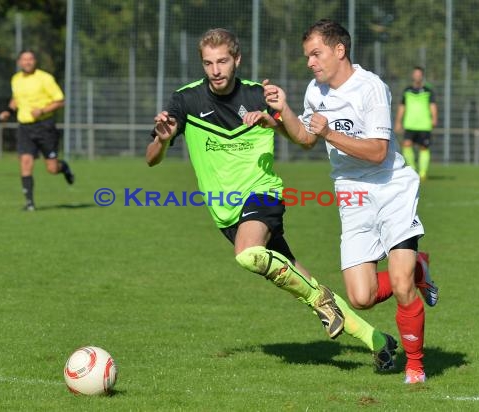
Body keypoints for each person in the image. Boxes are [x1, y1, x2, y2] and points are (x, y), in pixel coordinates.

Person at [146, 28, 399, 372]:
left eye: (222, 61)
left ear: (236, 60)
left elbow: (302, 138)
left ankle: (318, 299)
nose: (215, 70)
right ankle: (378, 341)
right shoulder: (185, 100)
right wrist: (161, 141)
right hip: (225, 212)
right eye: (208, 63)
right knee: (300, 280)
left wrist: (275, 116)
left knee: (249, 255)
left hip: (262, 194)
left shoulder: (258, 95)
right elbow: (151, 158)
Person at [256, 19, 439, 383]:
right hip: (351, 194)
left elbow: (376, 152)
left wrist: (329, 134)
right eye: (307, 55)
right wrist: (280, 116)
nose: (310, 62)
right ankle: (418, 267)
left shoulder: (371, 88)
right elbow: (308, 139)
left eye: (315, 54)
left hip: (390, 188)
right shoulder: (314, 90)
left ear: (339, 50)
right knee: (360, 297)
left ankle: (415, 366)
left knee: (401, 287)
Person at [0, 50, 74, 211]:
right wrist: (8, 111)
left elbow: (60, 101)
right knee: (25, 163)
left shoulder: (45, 78)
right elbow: (16, 100)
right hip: (25, 127)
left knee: (52, 169)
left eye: (30, 59)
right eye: (24, 59)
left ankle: (64, 168)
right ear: (19, 62)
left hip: (44, 126)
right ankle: (30, 203)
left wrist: (43, 110)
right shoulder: (16, 79)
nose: (27, 62)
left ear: (35, 61)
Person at [394, 66, 438, 181]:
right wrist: (398, 122)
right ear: (413, 76)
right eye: (416, 74)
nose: (417, 76)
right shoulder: (407, 91)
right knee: (406, 145)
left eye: (419, 74)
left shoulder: (428, 90)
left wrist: (434, 118)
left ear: (422, 76)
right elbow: (402, 106)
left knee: (424, 148)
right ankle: (413, 169)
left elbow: (432, 105)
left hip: (424, 124)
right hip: (410, 124)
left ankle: (423, 172)